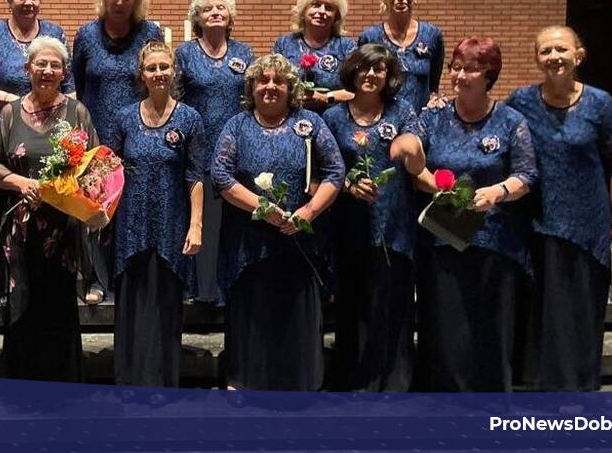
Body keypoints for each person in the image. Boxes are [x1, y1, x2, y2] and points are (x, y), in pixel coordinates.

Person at [507, 25, 612, 391]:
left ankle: (579, 383)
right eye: (545, 51)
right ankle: (540, 382)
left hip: (587, 220)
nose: (554, 57)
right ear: (536, 59)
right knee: (543, 305)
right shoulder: (521, 100)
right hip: (538, 218)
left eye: (561, 49)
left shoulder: (600, 103)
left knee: (582, 305)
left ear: (579, 55)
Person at [212, 53, 345, 391]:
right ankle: (244, 381)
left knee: (297, 313)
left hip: (299, 240)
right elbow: (220, 174)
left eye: (279, 81)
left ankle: (300, 384)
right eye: (263, 80)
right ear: (252, 87)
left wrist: (308, 212)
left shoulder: (310, 124)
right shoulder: (237, 125)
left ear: (291, 88)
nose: (270, 86)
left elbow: (336, 172)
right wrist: (262, 208)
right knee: (251, 313)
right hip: (249, 243)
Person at [412, 36, 537, 391]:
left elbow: (527, 175)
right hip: (442, 237)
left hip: (494, 240)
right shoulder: (432, 116)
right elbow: (415, 168)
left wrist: (497, 192)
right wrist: (436, 184)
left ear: (489, 76)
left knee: (490, 326)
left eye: (470, 69)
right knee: (444, 326)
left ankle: (490, 401)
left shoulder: (511, 120)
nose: (459, 75)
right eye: (456, 67)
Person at [0, 36, 97, 382]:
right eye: (40, 64)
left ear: (64, 72)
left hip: (63, 231)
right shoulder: (9, 114)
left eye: (55, 65)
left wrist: (64, 191)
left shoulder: (77, 113)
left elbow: (94, 166)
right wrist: (22, 183)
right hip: (21, 231)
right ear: (28, 69)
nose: (47, 70)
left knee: (58, 306)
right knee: (22, 304)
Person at [322, 44, 428, 391]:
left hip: (394, 223)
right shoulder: (334, 117)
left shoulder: (402, 111)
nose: (370, 75)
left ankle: (394, 383)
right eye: (364, 68)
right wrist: (349, 184)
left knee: (393, 304)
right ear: (352, 71)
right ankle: (355, 381)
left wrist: (411, 148)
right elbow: (324, 169)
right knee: (353, 305)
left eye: (379, 69)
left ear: (389, 75)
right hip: (349, 225)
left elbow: (417, 163)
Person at [102, 40, 205, 387]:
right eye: (151, 68)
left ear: (173, 70)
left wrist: (196, 225)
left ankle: (162, 383)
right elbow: (108, 169)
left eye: (164, 66)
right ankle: (128, 382)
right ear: (141, 75)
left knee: (165, 303)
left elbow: (195, 177)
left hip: (171, 222)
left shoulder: (190, 118)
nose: (158, 73)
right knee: (131, 302)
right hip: (130, 223)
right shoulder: (124, 117)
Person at [71, 0, 163, 303]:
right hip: (95, 137)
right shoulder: (86, 35)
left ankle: (129, 276)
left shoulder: (149, 33)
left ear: (137, 0)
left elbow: (157, 80)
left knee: (132, 208)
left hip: (139, 135)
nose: (120, 2)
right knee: (96, 209)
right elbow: (77, 85)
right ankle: (96, 279)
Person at [175, 0, 254, 305]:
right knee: (204, 220)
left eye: (221, 7)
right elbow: (176, 99)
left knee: (233, 221)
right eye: (207, 8)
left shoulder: (244, 53)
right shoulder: (185, 53)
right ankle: (203, 291)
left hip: (236, 148)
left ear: (231, 16)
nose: (215, 12)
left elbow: (252, 99)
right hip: (198, 146)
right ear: (197, 17)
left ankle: (230, 288)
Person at [357, 0, 445, 111]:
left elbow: (434, 85)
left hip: (420, 118)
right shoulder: (370, 37)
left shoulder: (432, 35)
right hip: (381, 118)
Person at [272, 0, 356, 110]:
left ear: (336, 16)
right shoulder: (284, 44)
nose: (322, 11)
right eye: (316, 5)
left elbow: (358, 90)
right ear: (303, 10)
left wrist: (326, 97)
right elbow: (273, 84)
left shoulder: (347, 46)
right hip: (292, 115)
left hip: (334, 116)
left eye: (329, 8)